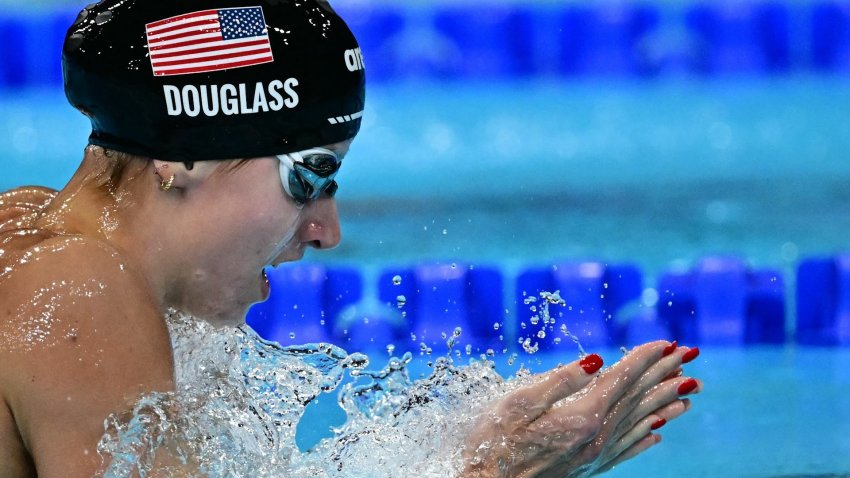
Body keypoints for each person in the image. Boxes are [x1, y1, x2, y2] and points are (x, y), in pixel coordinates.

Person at [0, 0, 702, 476]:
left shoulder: (27, 226)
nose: (326, 231)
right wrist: (491, 470)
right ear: (186, 157)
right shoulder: (81, 290)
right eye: (308, 179)